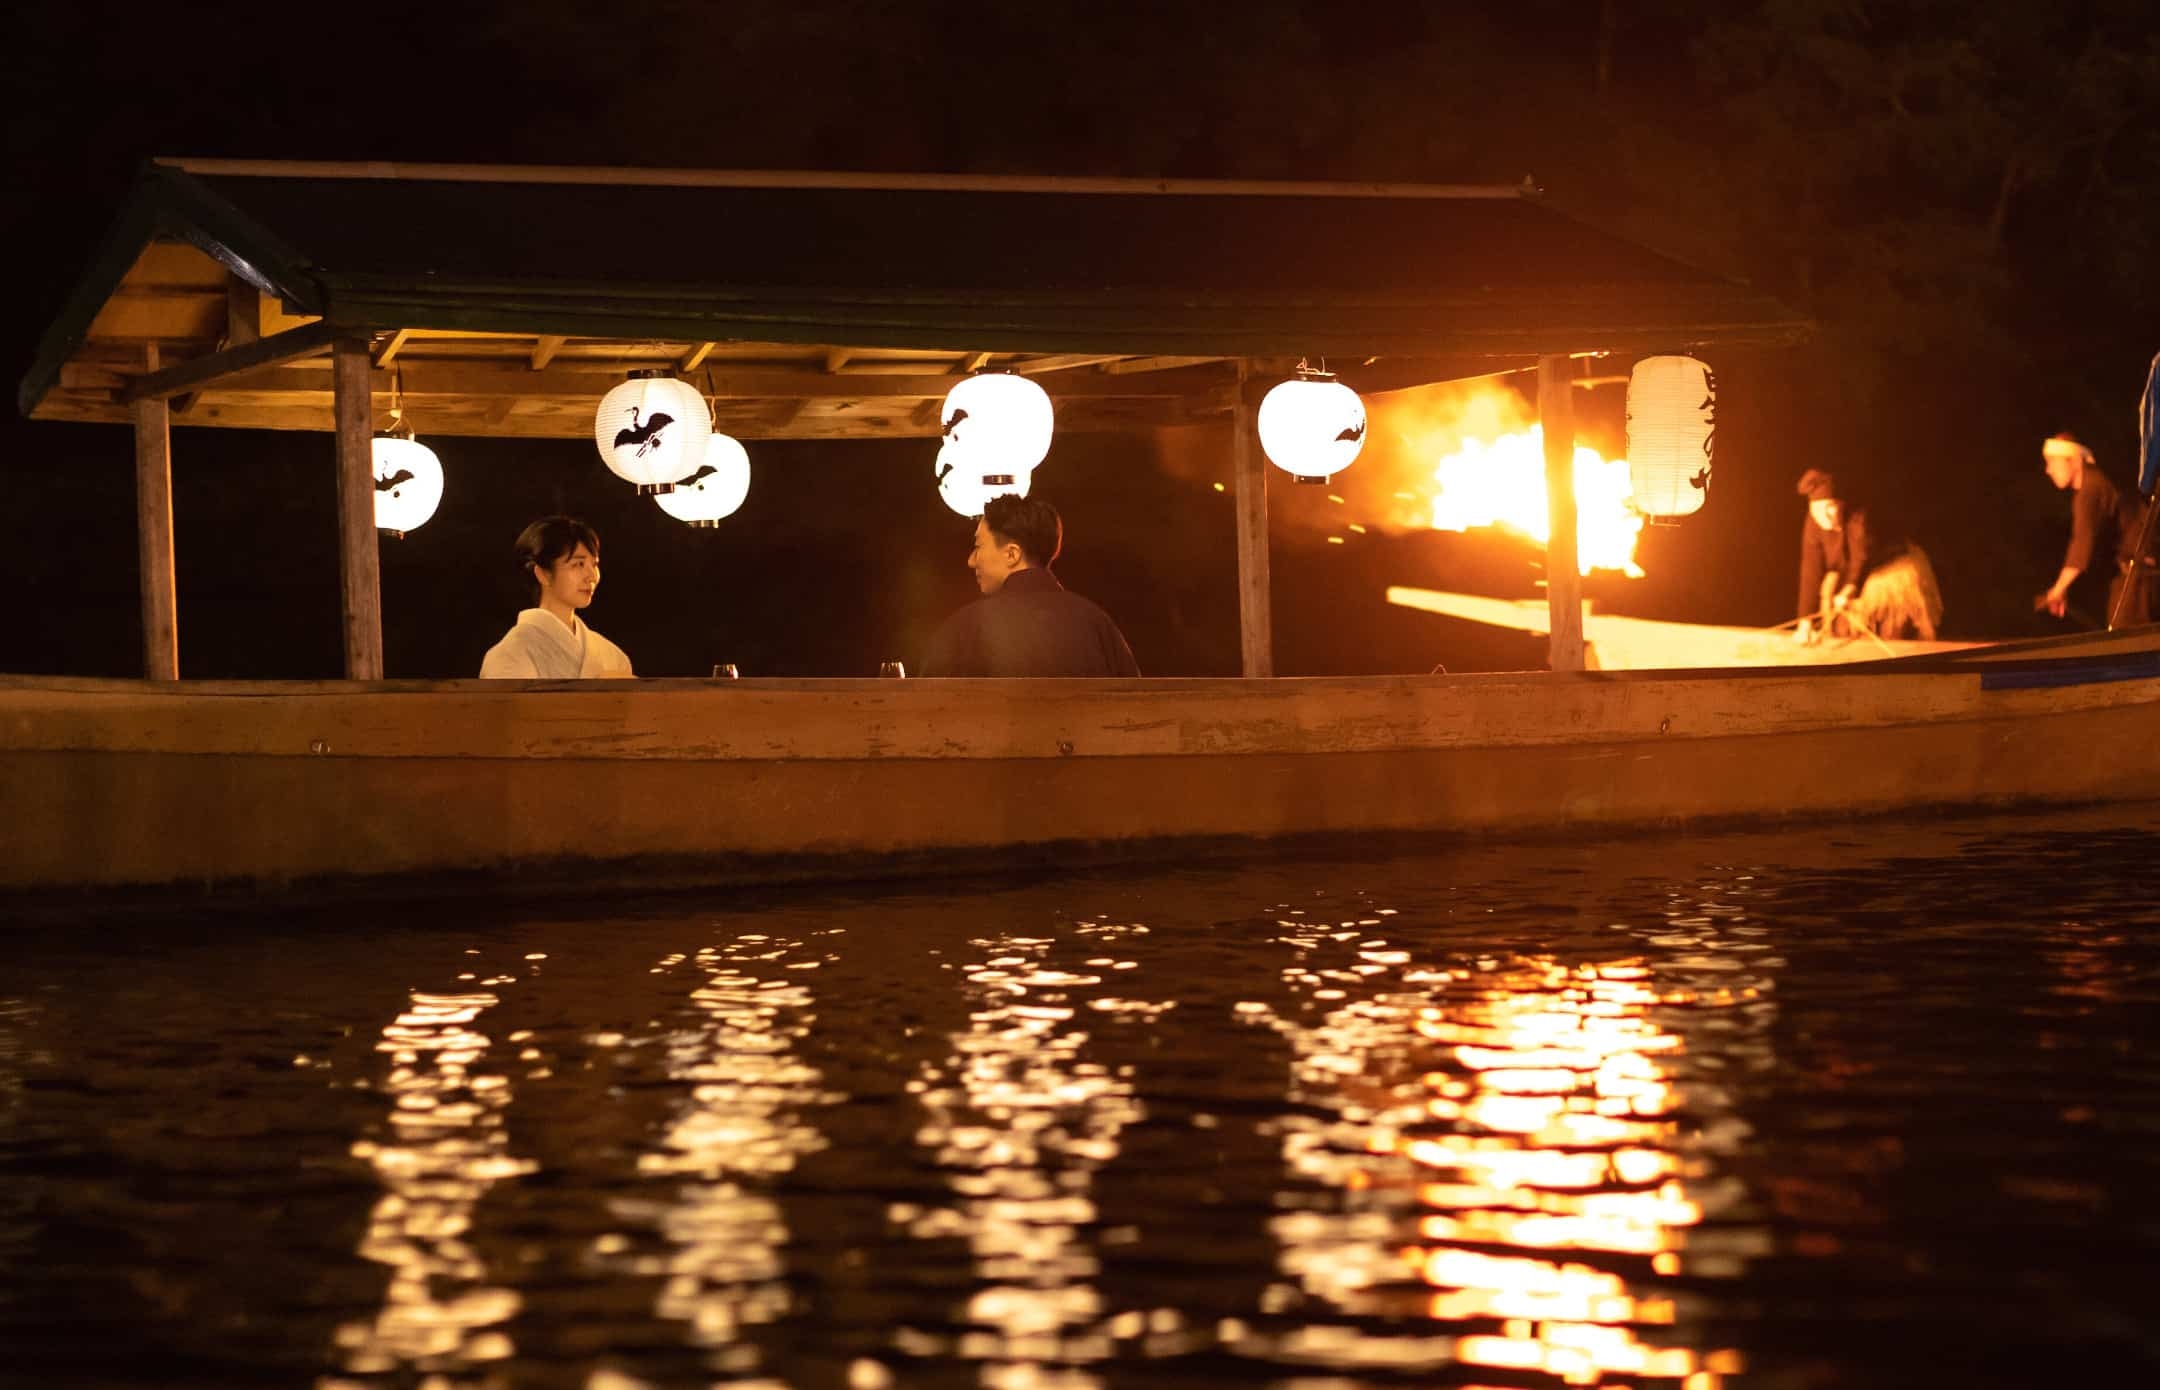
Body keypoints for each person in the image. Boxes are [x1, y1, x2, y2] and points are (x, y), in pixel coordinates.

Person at [920, 494, 1140, 677]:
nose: (971, 560)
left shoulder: (965, 629)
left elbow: (922, 714)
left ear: (1012, 554)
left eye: (978, 546)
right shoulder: (1097, 624)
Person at [1793, 469, 1943, 642]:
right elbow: (1810, 571)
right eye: (1818, 509)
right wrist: (1805, 623)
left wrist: (1848, 590)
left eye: (1830, 507)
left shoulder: (1858, 519)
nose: (1825, 515)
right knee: (1832, 602)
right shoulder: (1813, 522)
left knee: (1883, 621)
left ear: (1841, 505)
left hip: (1887, 568)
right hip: (1850, 571)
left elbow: (1860, 559)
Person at [479, 516, 635, 678]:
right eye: (578, 564)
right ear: (543, 574)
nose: (592, 576)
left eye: (594, 564)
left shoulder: (612, 655)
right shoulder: (511, 654)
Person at [2037, 433, 2155, 627]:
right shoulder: (2092, 486)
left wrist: (2058, 589)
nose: (2048, 470)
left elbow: (2082, 544)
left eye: (2052, 462)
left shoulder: (2092, 488)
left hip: (2143, 574)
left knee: (2124, 640)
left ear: (2074, 460)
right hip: (2136, 574)